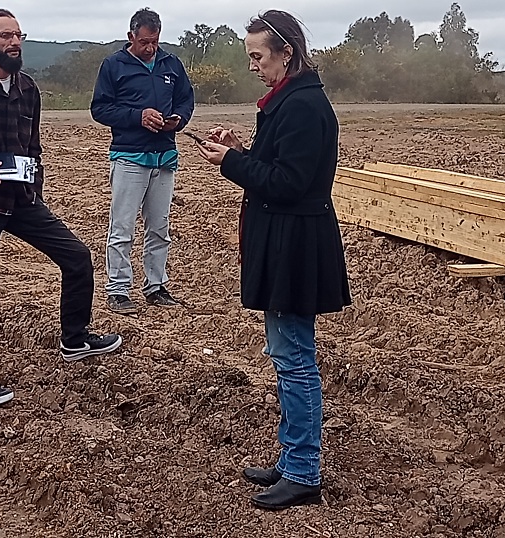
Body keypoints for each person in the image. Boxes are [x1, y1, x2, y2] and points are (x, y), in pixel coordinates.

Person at [194, 10, 351, 510]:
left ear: (287, 52)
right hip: (285, 241)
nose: (254, 66)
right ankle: (291, 459)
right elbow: (279, 164)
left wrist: (232, 163)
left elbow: (289, 184)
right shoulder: (289, 102)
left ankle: (304, 471)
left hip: (295, 246)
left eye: (258, 56)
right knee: (287, 356)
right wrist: (241, 149)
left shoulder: (304, 107)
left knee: (295, 360)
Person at [0, 9, 123, 407]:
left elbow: (32, 146)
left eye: (19, 34)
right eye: (6, 36)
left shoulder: (28, 88)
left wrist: (35, 186)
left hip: (18, 199)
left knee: (76, 256)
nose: (15, 42)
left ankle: (74, 339)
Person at [91, 7, 195, 315]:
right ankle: (118, 289)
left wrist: (179, 119)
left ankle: (156, 286)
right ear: (130, 37)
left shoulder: (171, 64)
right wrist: (138, 117)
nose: (150, 48)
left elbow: (186, 99)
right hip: (129, 157)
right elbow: (100, 109)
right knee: (122, 227)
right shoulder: (113, 66)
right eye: (144, 42)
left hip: (165, 155)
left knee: (160, 227)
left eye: (155, 42)